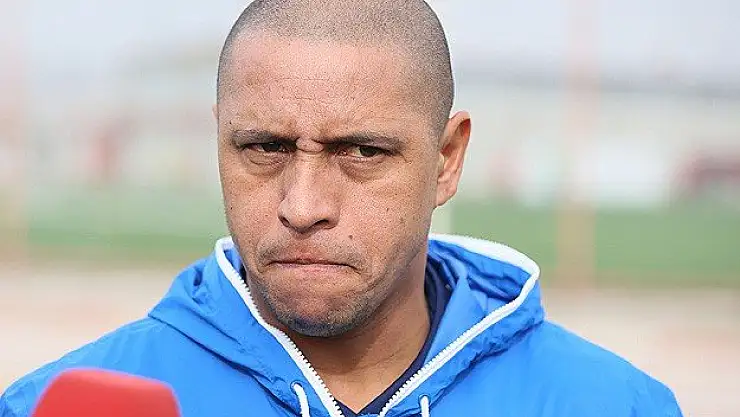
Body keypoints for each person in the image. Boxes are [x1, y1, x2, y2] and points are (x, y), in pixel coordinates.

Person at [1, 1, 683, 416]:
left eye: (362, 151)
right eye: (263, 147)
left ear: (447, 160)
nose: (303, 206)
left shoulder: (614, 406)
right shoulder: (56, 406)